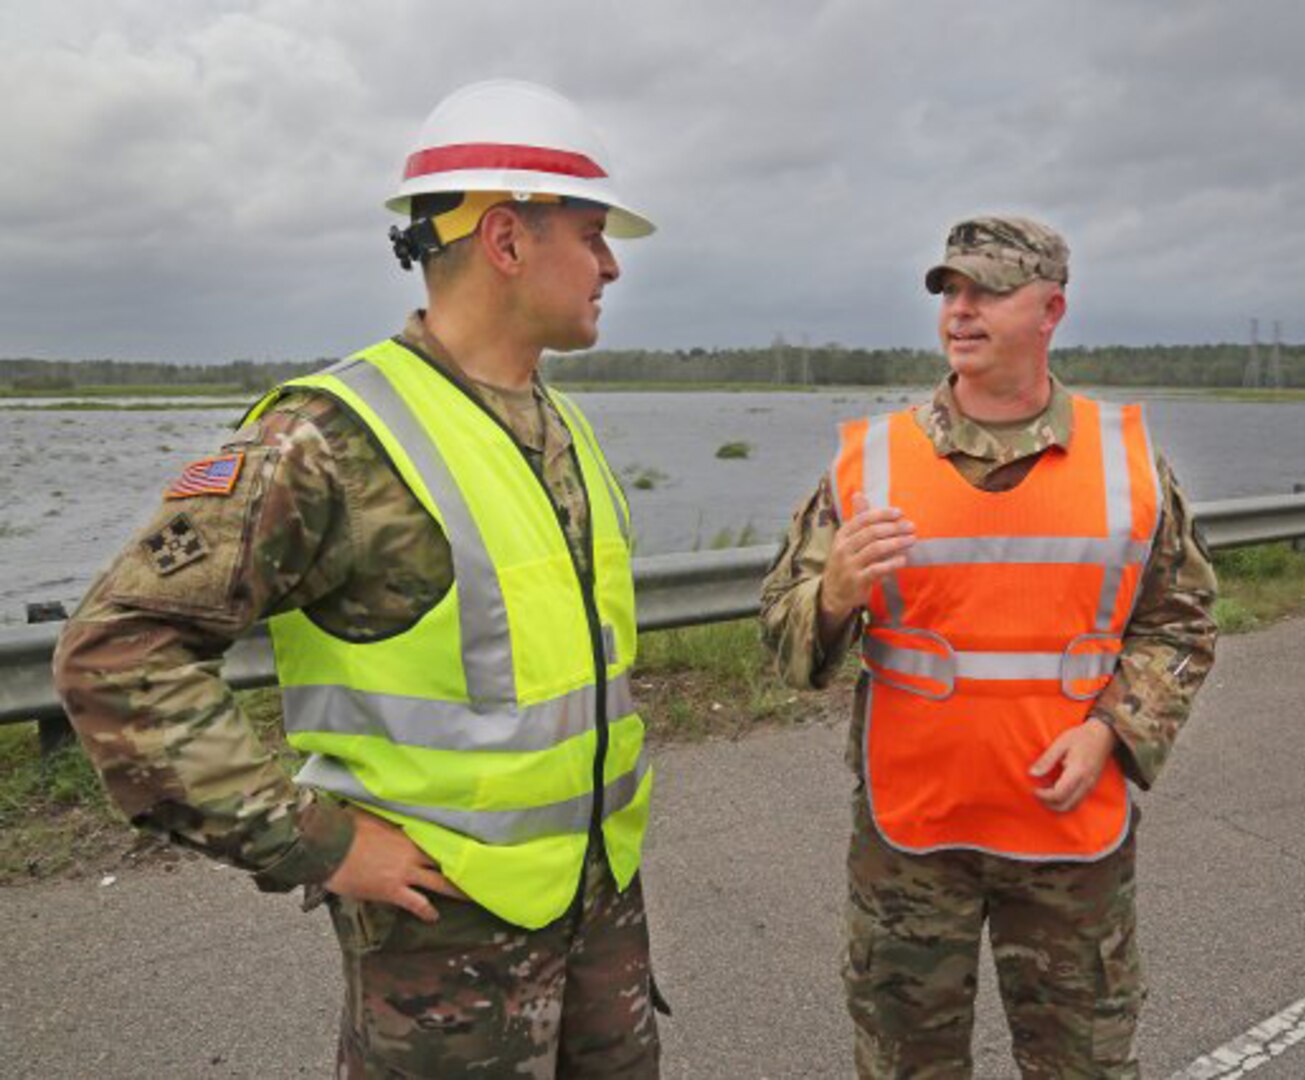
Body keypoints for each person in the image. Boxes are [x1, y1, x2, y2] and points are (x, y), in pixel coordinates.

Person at [54, 79, 665, 1077]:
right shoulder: (330, 437)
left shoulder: (563, 426)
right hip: (443, 953)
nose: (610, 265)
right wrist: (315, 842)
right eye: (593, 233)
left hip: (599, 907)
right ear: (506, 240)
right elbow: (116, 653)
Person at [760, 215, 1218, 1078]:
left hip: (1069, 841)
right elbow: (783, 641)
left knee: (1080, 1066)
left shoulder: (1126, 463)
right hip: (911, 843)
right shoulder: (872, 463)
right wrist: (833, 594)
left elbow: (1182, 623)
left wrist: (1110, 731)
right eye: (949, 291)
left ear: (1051, 309)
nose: (960, 312)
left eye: (988, 291)